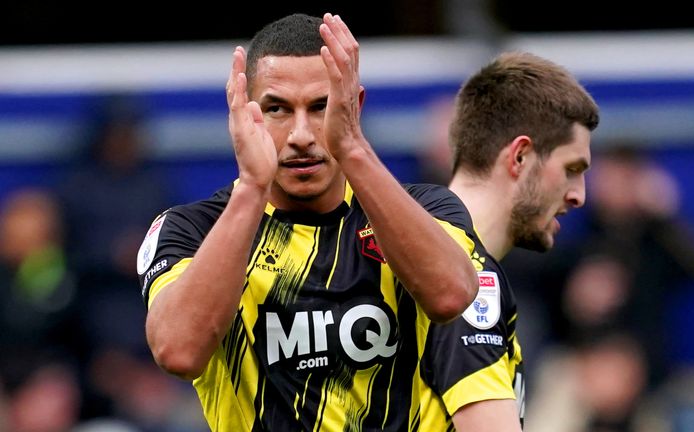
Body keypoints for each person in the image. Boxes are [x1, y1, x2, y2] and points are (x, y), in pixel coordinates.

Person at [137, 12, 478, 431]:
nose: (301, 134)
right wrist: (251, 188)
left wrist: (351, 147)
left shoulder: (426, 208)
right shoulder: (192, 230)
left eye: (322, 106)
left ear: (354, 105)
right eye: (277, 109)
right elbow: (178, 352)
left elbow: (451, 296)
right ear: (245, 114)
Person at [414, 51, 599, 431]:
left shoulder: (425, 248)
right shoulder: (468, 281)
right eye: (571, 170)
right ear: (520, 156)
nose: (579, 195)